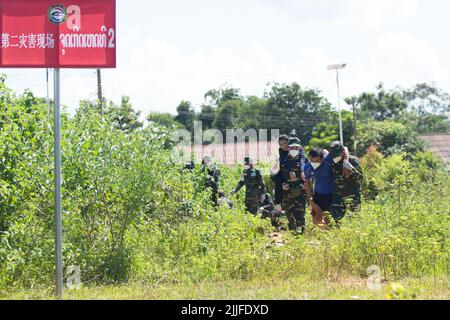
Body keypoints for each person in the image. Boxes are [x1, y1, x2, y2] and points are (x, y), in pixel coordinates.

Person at [327, 141, 364, 223]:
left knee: (354, 222)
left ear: (342, 152)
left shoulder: (353, 161)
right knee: (337, 222)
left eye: (336, 155)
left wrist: (350, 168)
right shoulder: (331, 161)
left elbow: (360, 179)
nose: (334, 157)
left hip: (352, 197)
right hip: (337, 198)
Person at [280, 137, 308, 235]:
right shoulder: (283, 161)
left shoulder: (304, 160)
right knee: (289, 214)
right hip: (288, 192)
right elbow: (277, 177)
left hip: (301, 191)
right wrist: (282, 185)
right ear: (288, 148)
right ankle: (292, 235)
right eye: (292, 148)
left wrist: (306, 184)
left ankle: (301, 235)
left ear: (300, 148)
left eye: (296, 148)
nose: (294, 150)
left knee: (300, 213)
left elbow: (311, 175)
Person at [304, 147, 334, 228]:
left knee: (329, 219)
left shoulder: (329, 161)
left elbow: (344, 149)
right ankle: (318, 236)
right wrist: (310, 197)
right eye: (311, 160)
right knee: (316, 218)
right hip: (318, 194)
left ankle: (330, 235)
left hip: (331, 194)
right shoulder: (307, 167)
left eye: (316, 161)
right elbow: (307, 182)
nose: (314, 162)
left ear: (322, 158)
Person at [271, 135, 290, 212]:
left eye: (285, 143)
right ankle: (278, 203)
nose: (284, 146)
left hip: (294, 175)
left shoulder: (295, 149)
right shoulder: (280, 151)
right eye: (281, 144)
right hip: (283, 173)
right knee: (275, 177)